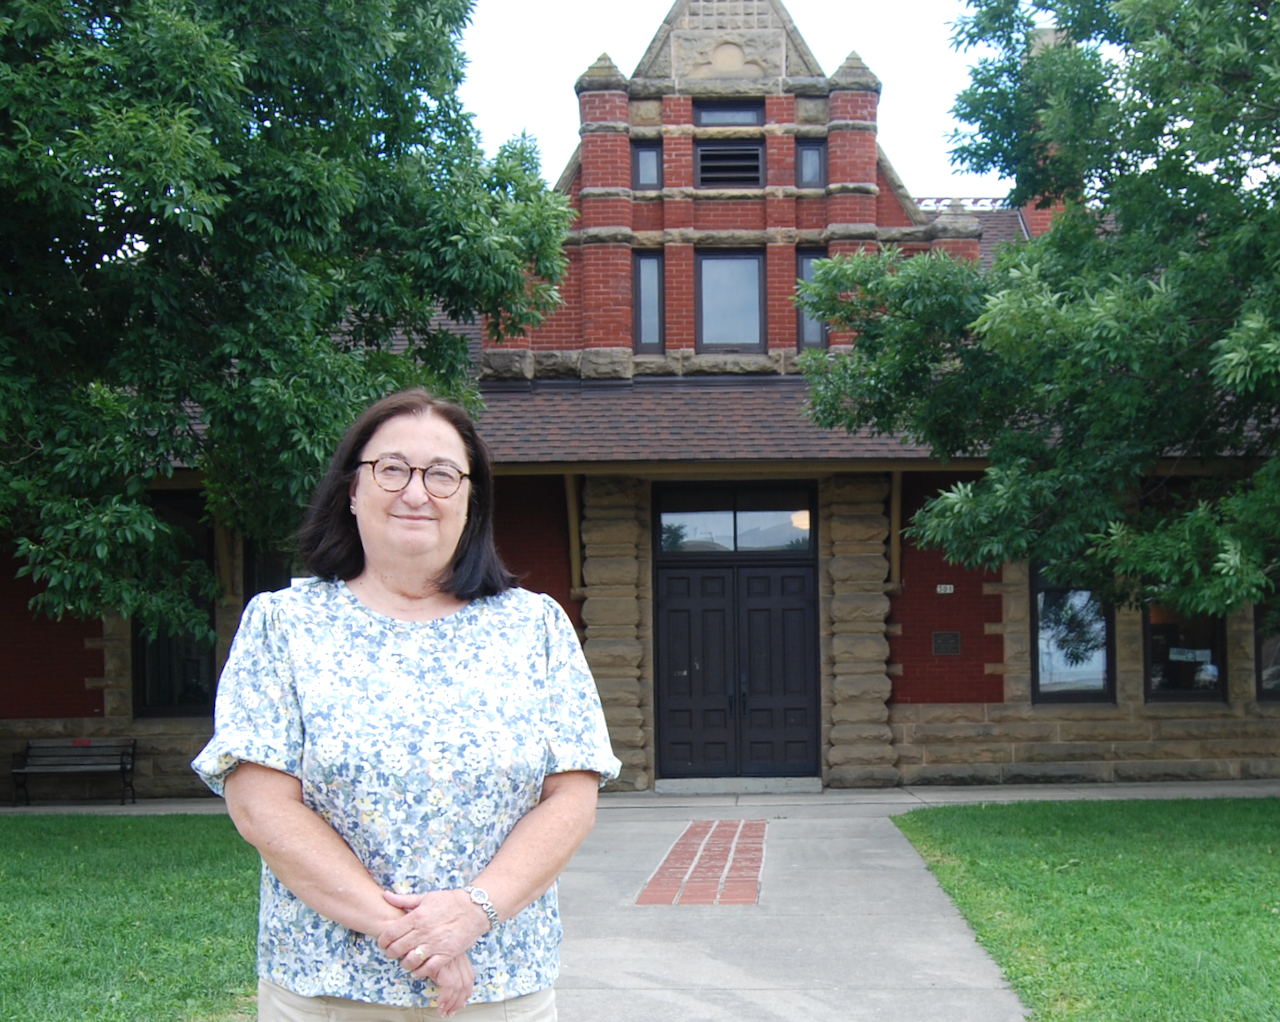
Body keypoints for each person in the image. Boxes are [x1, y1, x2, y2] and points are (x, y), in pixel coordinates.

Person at [192, 388, 620, 1021]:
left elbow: (572, 799)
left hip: (499, 987)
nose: (416, 492)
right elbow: (261, 806)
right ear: (351, 489)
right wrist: (419, 937)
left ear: (471, 498)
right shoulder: (283, 624)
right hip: (328, 988)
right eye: (391, 468)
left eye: (443, 474)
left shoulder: (536, 627)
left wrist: (472, 912)